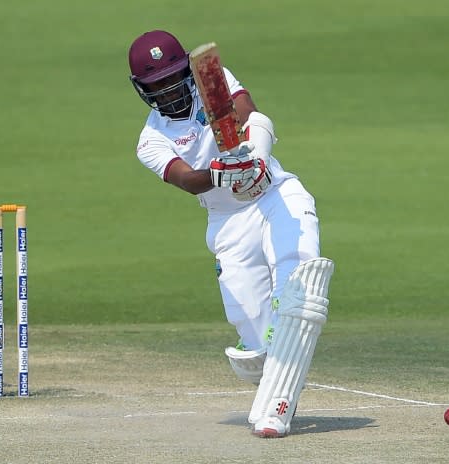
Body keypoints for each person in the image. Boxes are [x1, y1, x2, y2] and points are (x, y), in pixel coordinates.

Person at [127, 30, 335, 438]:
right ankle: (274, 375)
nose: (169, 91)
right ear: (143, 90)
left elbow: (250, 115)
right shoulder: (150, 140)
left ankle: (276, 410)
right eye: (158, 86)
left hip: (276, 195)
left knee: (297, 287)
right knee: (255, 329)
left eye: (173, 78)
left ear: (186, 69)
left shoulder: (212, 79)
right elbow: (187, 180)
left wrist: (255, 159)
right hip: (228, 222)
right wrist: (221, 175)